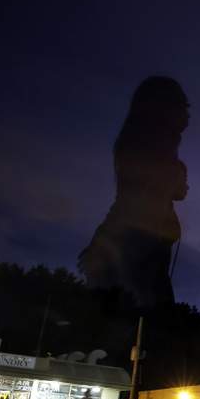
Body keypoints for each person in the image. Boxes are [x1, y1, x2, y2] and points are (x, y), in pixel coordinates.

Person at [79, 77, 190, 309]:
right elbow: (136, 201)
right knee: (140, 319)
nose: (188, 114)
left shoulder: (153, 151)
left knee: (148, 319)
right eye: (183, 106)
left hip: (140, 251)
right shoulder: (148, 153)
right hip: (134, 251)